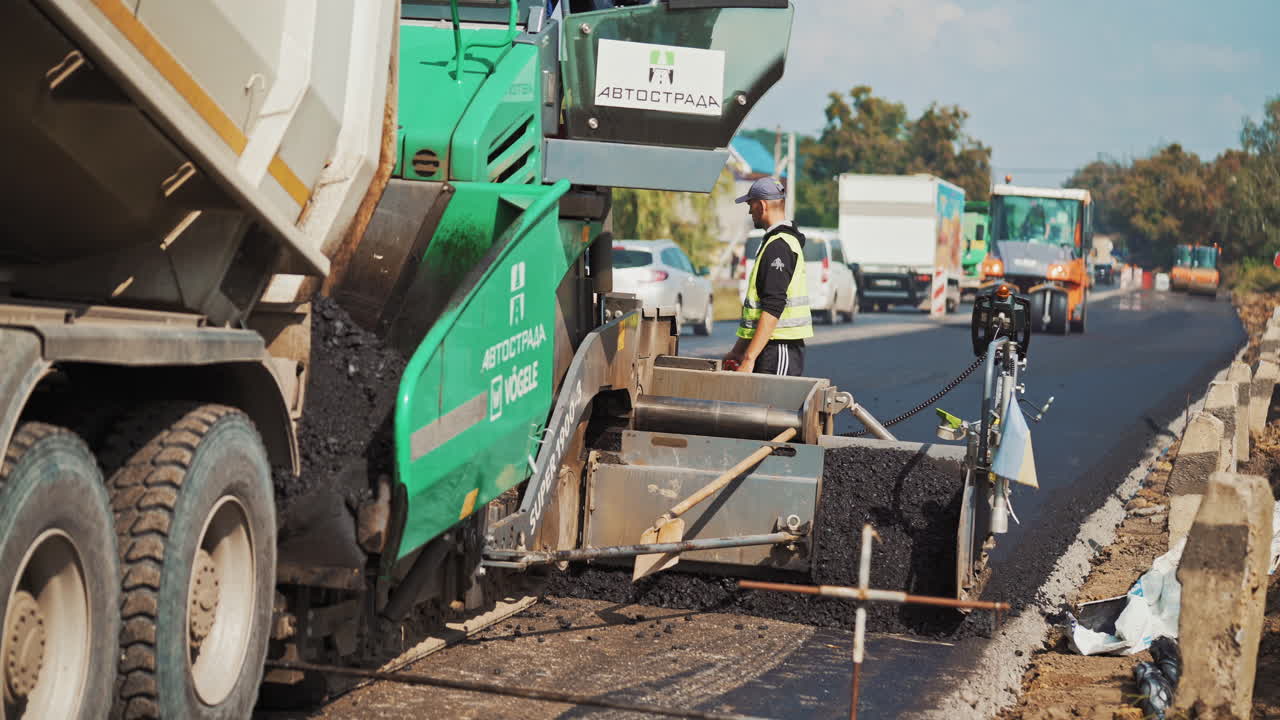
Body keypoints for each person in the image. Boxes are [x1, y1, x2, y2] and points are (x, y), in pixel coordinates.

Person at [722, 177, 812, 376]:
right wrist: (738, 351)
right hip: (770, 346)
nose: (749, 211)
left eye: (750, 204)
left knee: (773, 407)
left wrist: (748, 357)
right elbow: (758, 312)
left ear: (762, 205)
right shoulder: (775, 242)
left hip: (778, 348)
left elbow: (773, 306)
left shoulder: (778, 246)